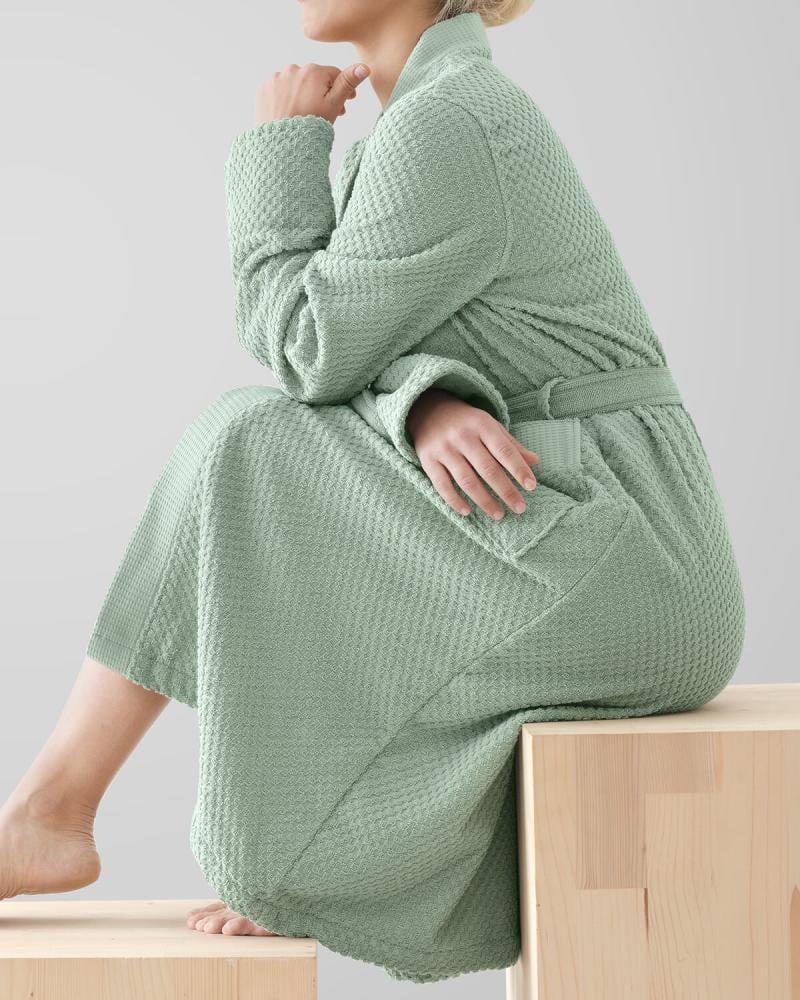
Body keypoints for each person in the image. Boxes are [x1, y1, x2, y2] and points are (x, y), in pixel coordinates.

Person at [0, 0, 747, 984]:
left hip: (623, 550)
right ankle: (59, 809)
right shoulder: (431, 116)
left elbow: (309, 347)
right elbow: (373, 347)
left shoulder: (452, 122)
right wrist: (424, 403)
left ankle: (79, 814)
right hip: (579, 513)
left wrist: (280, 145)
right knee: (242, 448)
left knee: (244, 441)